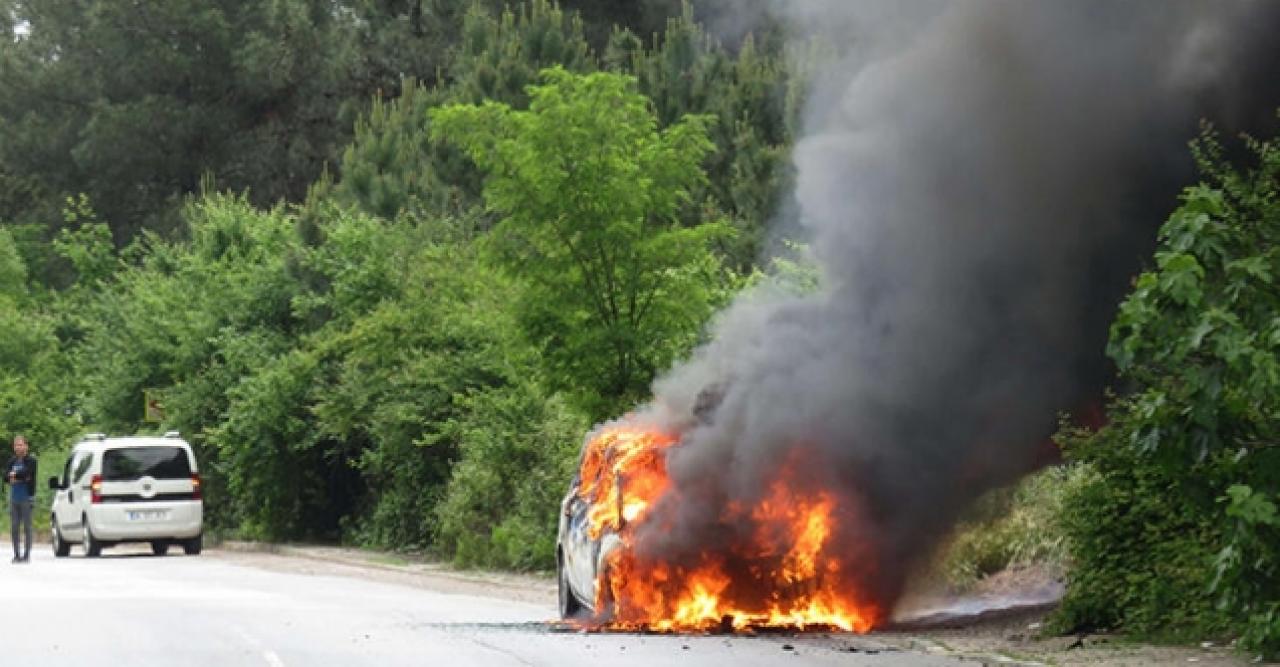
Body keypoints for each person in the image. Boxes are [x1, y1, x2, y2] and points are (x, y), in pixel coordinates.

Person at [4, 435, 37, 563]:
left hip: (27, 497)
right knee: (14, 527)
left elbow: (28, 474)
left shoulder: (31, 460)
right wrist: (16, 477)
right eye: (16, 445)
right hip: (14, 498)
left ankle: (26, 555)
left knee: (27, 527)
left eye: (20, 444)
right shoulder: (12, 461)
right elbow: (5, 477)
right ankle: (16, 554)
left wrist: (15, 476)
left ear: (26, 446)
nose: (18, 447)